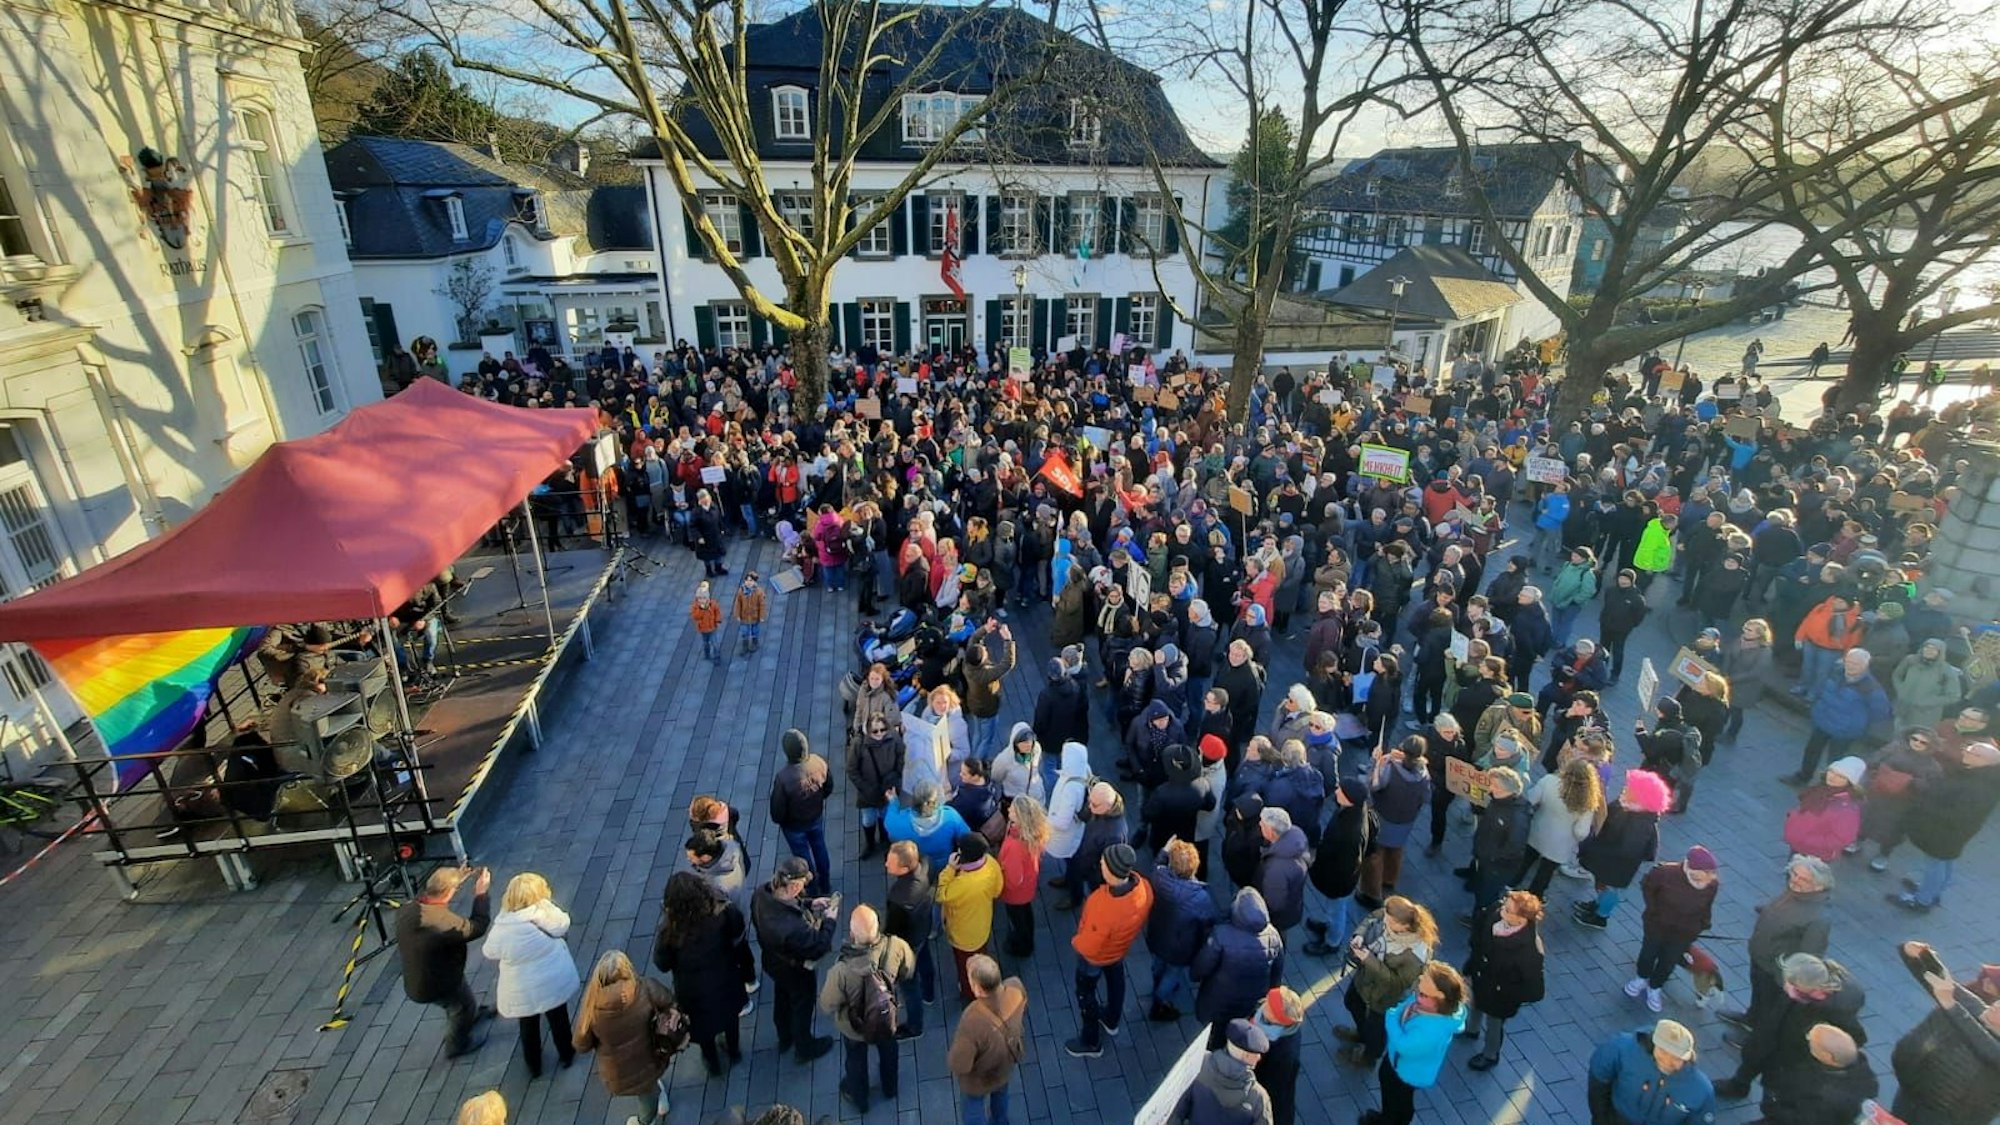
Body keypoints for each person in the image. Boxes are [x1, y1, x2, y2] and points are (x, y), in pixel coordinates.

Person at [1715, 952, 1869, 1103]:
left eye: (1793, 987)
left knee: (1775, 1093)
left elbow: (1854, 1040)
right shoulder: (1803, 985)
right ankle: (1739, 1084)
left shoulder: (1837, 1010)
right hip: (1772, 1035)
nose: (1786, 989)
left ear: (1814, 990)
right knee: (1753, 1058)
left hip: (1790, 1060)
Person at [651, 870, 753, 1075]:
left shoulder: (670, 931)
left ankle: (712, 1063)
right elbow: (738, 939)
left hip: (693, 993)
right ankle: (734, 1051)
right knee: (730, 1018)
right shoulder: (723, 912)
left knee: (703, 1029)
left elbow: (662, 963)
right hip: (726, 981)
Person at [1888, 940, 2000, 1125]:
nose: (1996, 1005)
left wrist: (1950, 1005)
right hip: (1913, 1094)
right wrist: (1916, 955)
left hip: (1946, 1118)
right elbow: (1944, 984)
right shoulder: (1979, 1009)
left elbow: (1984, 1044)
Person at [1719, 856, 1834, 1033]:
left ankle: (1756, 1035)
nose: (1794, 880)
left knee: (1769, 1008)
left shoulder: (1818, 917)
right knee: (1758, 997)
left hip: (1776, 972)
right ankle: (1750, 1019)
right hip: (1760, 960)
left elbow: (1810, 957)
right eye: (1794, 874)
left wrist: (1789, 980)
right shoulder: (1795, 893)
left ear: (1818, 886)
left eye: (1803, 879)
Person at [481, 873, 580, 1078]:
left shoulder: (503, 927)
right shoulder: (545, 915)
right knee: (559, 1020)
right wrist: (546, 905)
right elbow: (563, 923)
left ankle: (534, 1066)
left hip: (521, 989)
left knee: (528, 1027)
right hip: (552, 980)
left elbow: (489, 951)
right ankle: (567, 1054)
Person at [818, 905, 915, 1114]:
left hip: (854, 1027)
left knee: (855, 1060)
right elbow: (908, 970)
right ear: (878, 926)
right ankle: (890, 1089)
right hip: (885, 1018)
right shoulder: (895, 946)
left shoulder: (841, 971)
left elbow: (826, 1004)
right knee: (889, 1050)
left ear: (852, 934)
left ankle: (859, 1098)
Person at [396, 865, 494, 1058]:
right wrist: (481, 893)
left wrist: (458, 876)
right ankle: (457, 1045)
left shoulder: (409, 908)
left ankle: (470, 1015)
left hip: (424, 973)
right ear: (450, 892)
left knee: (463, 1000)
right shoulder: (441, 921)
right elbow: (477, 927)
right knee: (461, 1009)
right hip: (436, 983)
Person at [1066, 843, 1154, 1058]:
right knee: (1116, 981)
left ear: (1111, 871)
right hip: (1118, 950)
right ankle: (1112, 1019)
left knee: (1085, 994)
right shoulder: (1143, 888)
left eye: (1103, 863)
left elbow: (1089, 944)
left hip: (1095, 957)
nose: (1100, 865)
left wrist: (1076, 942)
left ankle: (1091, 1041)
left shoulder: (1103, 905)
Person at [571, 950, 678, 1125]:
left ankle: (645, 1121)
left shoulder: (592, 1008)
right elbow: (669, 1001)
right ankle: (655, 1107)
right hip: (651, 1056)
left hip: (619, 1071)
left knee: (643, 1092)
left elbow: (581, 1045)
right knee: (647, 1086)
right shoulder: (646, 987)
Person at [1894, 738, 2000, 914]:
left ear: (1986, 762)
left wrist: (1927, 808)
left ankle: (1922, 900)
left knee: (1935, 863)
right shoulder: (1979, 774)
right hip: (1953, 832)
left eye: (1974, 752)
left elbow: (1960, 814)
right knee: (1945, 861)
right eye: (1969, 747)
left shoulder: (1980, 786)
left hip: (1946, 830)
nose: (1966, 751)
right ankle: (1934, 891)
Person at [750, 857, 838, 1063]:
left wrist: (809, 902)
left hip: (772, 961)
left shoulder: (762, 893)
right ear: (796, 885)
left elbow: (789, 902)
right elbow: (818, 946)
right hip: (795, 969)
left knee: (782, 997)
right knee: (802, 1004)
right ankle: (804, 1047)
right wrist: (830, 922)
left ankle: (785, 1037)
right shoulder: (793, 928)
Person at [1337, 896, 1437, 1067]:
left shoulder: (1415, 955)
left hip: (1385, 996)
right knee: (1352, 1002)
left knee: (1376, 1028)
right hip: (1366, 980)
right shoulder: (1391, 917)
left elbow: (1397, 983)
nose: (1385, 920)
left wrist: (1368, 959)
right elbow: (1372, 917)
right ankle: (1362, 1034)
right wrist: (1360, 935)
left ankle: (1369, 1057)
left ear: (1404, 926)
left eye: (1390, 920)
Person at [1364, 961, 1468, 1125]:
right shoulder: (1425, 1004)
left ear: (1440, 1000)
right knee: (1392, 1090)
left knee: (1398, 1098)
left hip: (1408, 1071)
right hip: (1400, 1062)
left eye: (1424, 995)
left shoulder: (1432, 1030)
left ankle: (1390, 1120)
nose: (1417, 995)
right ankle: (1388, 1117)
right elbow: (1406, 1003)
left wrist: (1391, 1017)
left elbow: (1403, 1045)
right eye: (1419, 990)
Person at [1458, 891, 1545, 1072]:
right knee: (1474, 1002)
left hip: (1499, 994)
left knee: (1494, 1023)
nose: (1501, 910)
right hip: (1481, 976)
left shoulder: (1529, 950)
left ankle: (1490, 1054)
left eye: (1507, 910)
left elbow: (1534, 989)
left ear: (1521, 919)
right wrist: (1472, 963)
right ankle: (1471, 1030)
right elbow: (1479, 932)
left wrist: (1506, 993)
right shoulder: (1496, 912)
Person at [1572, 770, 1668, 930]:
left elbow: (1628, 849)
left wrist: (1600, 848)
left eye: (1630, 788)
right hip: (1609, 859)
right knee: (1602, 885)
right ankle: (1597, 904)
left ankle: (1601, 916)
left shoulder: (1641, 822)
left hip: (1617, 865)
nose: (1625, 789)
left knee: (1610, 889)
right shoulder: (1627, 805)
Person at [1191, 887, 1285, 1049]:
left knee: (1215, 1032)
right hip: (1251, 1001)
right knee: (1240, 1031)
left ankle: (1213, 1052)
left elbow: (1203, 965)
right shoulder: (1273, 935)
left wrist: (1195, 974)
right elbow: (1277, 972)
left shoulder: (1221, 934)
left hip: (1219, 998)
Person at [1630, 846, 1719, 1013]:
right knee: (1648, 953)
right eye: (1704, 876)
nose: (1708, 880)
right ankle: (1641, 978)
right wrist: (1653, 910)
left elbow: (1707, 907)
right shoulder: (1665, 873)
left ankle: (1655, 987)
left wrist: (1702, 926)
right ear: (1691, 868)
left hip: (1684, 933)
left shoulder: (1712, 885)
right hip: (1657, 926)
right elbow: (1647, 886)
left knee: (1668, 961)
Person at [1785, 647, 1891, 786]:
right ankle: (1803, 777)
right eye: (1849, 661)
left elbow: (1881, 712)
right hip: (1823, 720)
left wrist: (1857, 722)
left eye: (1856, 664)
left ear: (1865, 665)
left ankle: (1827, 788)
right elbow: (1821, 689)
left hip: (1844, 731)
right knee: (1811, 751)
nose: (1851, 666)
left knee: (1835, 761)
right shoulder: (1835, 672)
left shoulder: (1871, 688)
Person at [1586, 1019, 1717, 1125]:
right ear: (1654, 1043)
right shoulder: (1620, 1049)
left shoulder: (1701, 1090)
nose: (1668, 1061)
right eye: (1664, 1052)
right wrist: (1600, 1118)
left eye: (1677, 1057)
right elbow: (1598, 1082)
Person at [947, 954, 1028, 1125]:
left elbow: (960, 1064)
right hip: (1005, 1066)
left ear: (977, 989)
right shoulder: (1015, 986)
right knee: (1001, 1096)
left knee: (973, 1111)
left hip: (979, 1080)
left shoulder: (972, 1019)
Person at [1146, 837, 1220, 1021]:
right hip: (1181, 949)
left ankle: (1156, 982)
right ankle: (1160, 1000)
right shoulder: (1201, 898)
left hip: (1157, 936)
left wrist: (1164, 850)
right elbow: (1207, 926)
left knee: (1158, 964)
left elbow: (1157, 864)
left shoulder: (1159, 878)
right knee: (1173, 974)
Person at [1304, 778, 1373, 958]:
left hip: (1338, 882)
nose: (1336, 793)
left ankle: (1332, 941)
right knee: (1332, 906)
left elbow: (1345, 865)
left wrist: (1329, 880)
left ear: (1349, 799)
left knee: (1337, 910)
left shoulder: (1351, 832)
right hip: (1334, 877)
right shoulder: (1354, 812)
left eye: (1340, 791)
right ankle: (1326, 923)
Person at [1517, 759, 1601, 897]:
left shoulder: (1549, 781)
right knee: (1545, 872)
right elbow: (1581, 832)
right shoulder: (1587, 803)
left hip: (1537, 832)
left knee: (1526, 860)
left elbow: (1530, 799)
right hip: (1560, 845)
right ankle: (1533, 897)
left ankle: (1512, 884)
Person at [937, 833, 1006, 999]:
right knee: (980, 954)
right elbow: (997, 891)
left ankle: (969, 991)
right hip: (982, 925)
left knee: (966, 966)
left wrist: (950, 869)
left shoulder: (963, 883)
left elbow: (941, 894)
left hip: (963, 934)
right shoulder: (991, 864)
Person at [882, 841, 937, 1037]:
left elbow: (891, 932)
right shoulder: (926, 865)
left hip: (907, 943)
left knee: (909, 984)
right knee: (925, 958)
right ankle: (929, 993)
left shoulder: (900, 899)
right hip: (922, 927)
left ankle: (915, 1026)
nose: (886, 864)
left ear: (905, 868)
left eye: (890, 862)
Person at [770, 728, 834, 898]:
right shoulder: (819, 762)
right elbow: (828, 787)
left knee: (803, 859)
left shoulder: (783, 778)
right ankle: (825, 884)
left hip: (794, 826)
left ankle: (811, 890)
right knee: (820, 848)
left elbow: (777, 812)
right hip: (816, 817)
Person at [1174, 1018, 1274, 1125]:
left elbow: (1176, 1112)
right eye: (1256, 1054)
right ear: (1246, 1055)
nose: (1259, 1057)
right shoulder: (1258, 1097)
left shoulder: (1198, 1065)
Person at [1780, 756, 1865, 861]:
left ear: (1850, 782)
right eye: (1832, 771)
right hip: (1798, 845)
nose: (1832, 777)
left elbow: (1842, 839)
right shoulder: (1821, 789)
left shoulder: (1846, 808)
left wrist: (1806, 839)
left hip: (1815, 854)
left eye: (1840, 776)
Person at [998, 795, 1050, 958]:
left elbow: (1014, 880)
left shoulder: (1015, 845)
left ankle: (1022, 947)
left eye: (1012, 810)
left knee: (1017, 919)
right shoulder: (1032, 833)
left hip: (1016, 893)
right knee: (1025, 914)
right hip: (1028, 886)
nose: (1008, 810)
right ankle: (1028, 941)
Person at [962, 620, 1017, 765]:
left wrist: (985, 629)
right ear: (982, 661)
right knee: (987, 739)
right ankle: (976, 765)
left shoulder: (968, 664)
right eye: (984, 651)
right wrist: (1008, 640)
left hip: (974, 706)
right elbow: (1007, 664)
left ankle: (972, 758)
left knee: (978, 735)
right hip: (987, 710)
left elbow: (974, 639)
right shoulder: (985, 675)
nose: (986, 649)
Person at [1251, 987, 1305, 1125]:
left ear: (1276, 1018)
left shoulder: (1284, 1054)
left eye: (1269, 1005)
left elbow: (1273, 1089)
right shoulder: (1281, 1028)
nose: (1264, 1002)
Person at [733, 571, 767, 655]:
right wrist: (737, 614)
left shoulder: (759, 592)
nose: (748, 582)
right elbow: (738, 603)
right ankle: (745, 645)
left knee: (755, 630)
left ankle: (755, 642)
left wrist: (762, 616)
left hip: (755, 616)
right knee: (745, 632)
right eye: (747, 580)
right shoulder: (741, 591)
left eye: (751, 581)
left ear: (755, 582)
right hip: (744, 616)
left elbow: (762, 605)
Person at [691, 581, 722, 661]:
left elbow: (717, 611)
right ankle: (707, 653)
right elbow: (696, 617)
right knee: (705, 643)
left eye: (704, 598)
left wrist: (718, 619)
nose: (702, 600)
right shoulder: (696, 607)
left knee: (715, 644)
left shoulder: (713, 604)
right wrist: (701, 609)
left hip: (712, 628)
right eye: (699, 598)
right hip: (703, 629)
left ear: (708, 598)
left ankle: (717, 657)